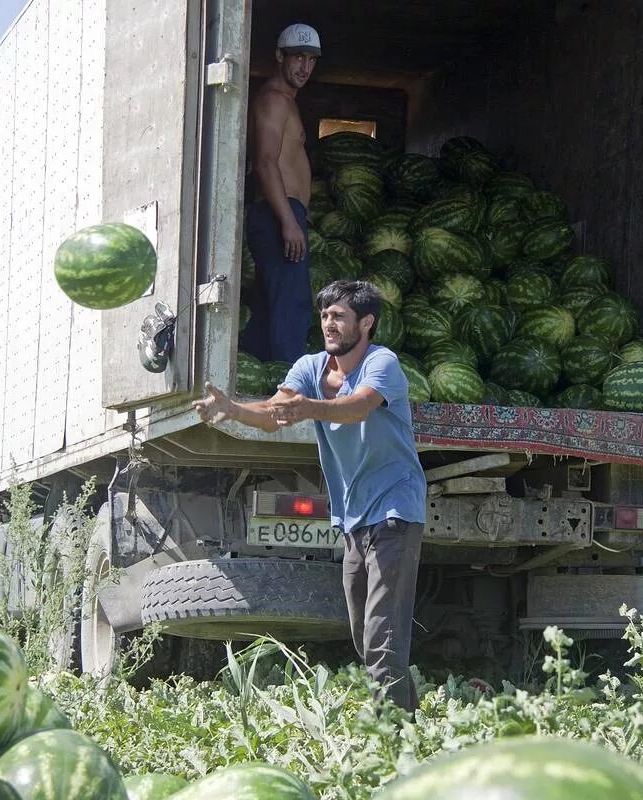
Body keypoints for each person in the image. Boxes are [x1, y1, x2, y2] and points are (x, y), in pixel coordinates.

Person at [195, 280, 427, 712]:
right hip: (354, 517)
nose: (329, 324)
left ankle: (392, 732)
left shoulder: (383, 363)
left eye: (339, 316)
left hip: (396, 507)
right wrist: (233, 411)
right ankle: (408, 715)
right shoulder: (310, 367)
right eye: (324, 316)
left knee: (382, 632)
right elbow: (273, 414)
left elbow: (358, 406)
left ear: (367, 322)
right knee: (364, 630)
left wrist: (308, 408)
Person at [238, 23, 320, 363]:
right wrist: (288, 221)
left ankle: (257, 375)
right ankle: (288, 388)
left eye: (311, 59)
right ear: (279, 56)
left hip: (282, 212)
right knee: (291, 304)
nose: (304, 66)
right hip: (277, 213)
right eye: (297, 57)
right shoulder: (274, 100)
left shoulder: (286, 101)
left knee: (270, 306)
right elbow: (266, 163)